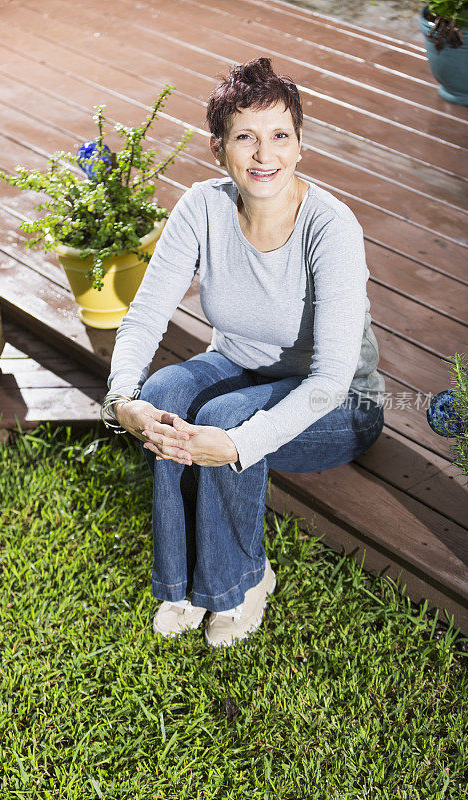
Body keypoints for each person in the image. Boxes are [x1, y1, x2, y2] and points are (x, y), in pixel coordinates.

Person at [101, 56, 385, 649]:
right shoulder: (202, 207)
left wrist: (237, 444)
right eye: (245, 138)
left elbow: (331, 379)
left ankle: (241, 582)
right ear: (218, 147)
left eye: (280, 136)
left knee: (226, 418)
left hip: (339, 404)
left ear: (301, 146)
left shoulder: (330, 227)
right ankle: (180, 581)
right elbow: (146, 314)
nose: (265, 155)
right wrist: (122, 397)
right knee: (163, 394)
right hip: (239, 364)